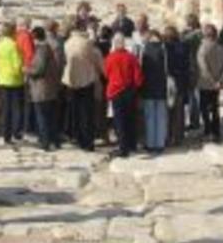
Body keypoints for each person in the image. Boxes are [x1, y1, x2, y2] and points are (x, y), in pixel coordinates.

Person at [63, 20, 105, 151]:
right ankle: (88, 141)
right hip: (87, 80)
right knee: (87, 113)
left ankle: (79, 138)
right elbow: (97, 63)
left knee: (76, 110)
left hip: (72, 81)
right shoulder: (87, 44)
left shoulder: (68, 43)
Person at [104, 33, 144, 158]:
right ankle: (132, 144)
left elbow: (106, 74)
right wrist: (136, 88)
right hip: (130, 90)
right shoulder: (131, 57)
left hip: (116, 91)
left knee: (119, 120)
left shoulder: (109, 58)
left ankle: (123, 148)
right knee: (131, 118)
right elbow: (138, 76)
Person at [26, 27, 62, 151]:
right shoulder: (46, 49)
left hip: (42, 89)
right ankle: (54, 141)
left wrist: (26, 70)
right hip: (49, 88)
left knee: (42, 117)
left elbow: (39, 69)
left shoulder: (41, 50)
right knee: (50, 116)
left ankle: (45, 142)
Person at [0, 21, 25, 144]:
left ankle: (6, 135)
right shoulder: (13, 45)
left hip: (3, 79)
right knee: (17, 108)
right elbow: (17, 64)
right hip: (14, 80)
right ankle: (16, 132)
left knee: (6, 109)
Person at [197, 24, 223, 143]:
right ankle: (216, 132)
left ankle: (207, 131)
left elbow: (203, 68)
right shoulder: (221, 48)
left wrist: (212, 81)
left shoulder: (202, 49)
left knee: (204, 108)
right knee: (215, 108)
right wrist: (219, 81)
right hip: (217, 84)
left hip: (205, 84)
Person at [140, 30, 168, 154]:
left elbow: (141, 69)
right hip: (161, 87)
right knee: (161, 117)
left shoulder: (144, 49)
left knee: (149, 117)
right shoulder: (163, 49)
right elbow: (167, 69)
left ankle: (151, 144)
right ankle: (160, 143)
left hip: (148, 87)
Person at [163, 26, 190, 147]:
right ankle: (178, 136)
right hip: (181, 81)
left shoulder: (164, 48)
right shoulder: (183, 46)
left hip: (168, 81)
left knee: (169, 110)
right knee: (179, 110)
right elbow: (187, 64)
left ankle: (168, 136)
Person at [181, 13, 203, 131]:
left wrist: (184, 32)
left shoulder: (196, 35)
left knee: (193, 96)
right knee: (193, 95)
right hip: (195, 67)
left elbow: (183, 40)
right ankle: (195, 120)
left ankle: (195, 121)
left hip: (193, 67)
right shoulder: (199, 33)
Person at [15, 17, 36, 133]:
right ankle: (27, 127)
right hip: (24, 70)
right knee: (26, 101)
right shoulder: (26, 36)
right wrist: (28, 70)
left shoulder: (16, 36)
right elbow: (29, 55)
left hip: (16, 70)